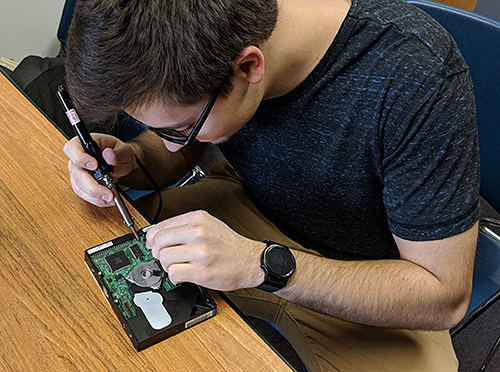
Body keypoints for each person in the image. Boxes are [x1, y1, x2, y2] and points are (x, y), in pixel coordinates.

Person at [62, 0, 480, 371]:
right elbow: (180, 153)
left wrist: (264, 266)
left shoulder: (415, 77)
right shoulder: (209, 36)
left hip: (376, 274)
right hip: (243, 206)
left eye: (183, 128)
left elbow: (444, 297)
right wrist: (131, 161)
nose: (175, 142)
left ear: (249, 67)